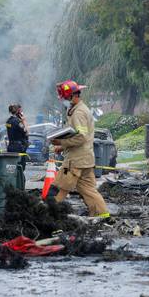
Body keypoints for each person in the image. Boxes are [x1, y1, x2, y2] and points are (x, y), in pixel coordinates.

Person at [50, 80, 110, 218]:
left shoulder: (79, 113)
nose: (64, 101)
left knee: (60, 188)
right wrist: (62, 146)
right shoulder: (78, 110)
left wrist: (61, 142)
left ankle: (49, 215)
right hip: (85, 159)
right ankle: (102, 215)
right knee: (88, 190)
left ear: (72, 96)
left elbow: (80, 137)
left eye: (65, 98)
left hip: (76, 161)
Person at [5, 103, 29, 189]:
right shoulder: (17, 122)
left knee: (11, 168)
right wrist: (24, 121)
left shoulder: (8, 121)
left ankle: (12, 186)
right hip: (19, 148)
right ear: (18, 112)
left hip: (10, 147)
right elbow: (26, 131)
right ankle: (20, 187)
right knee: (20, 168)